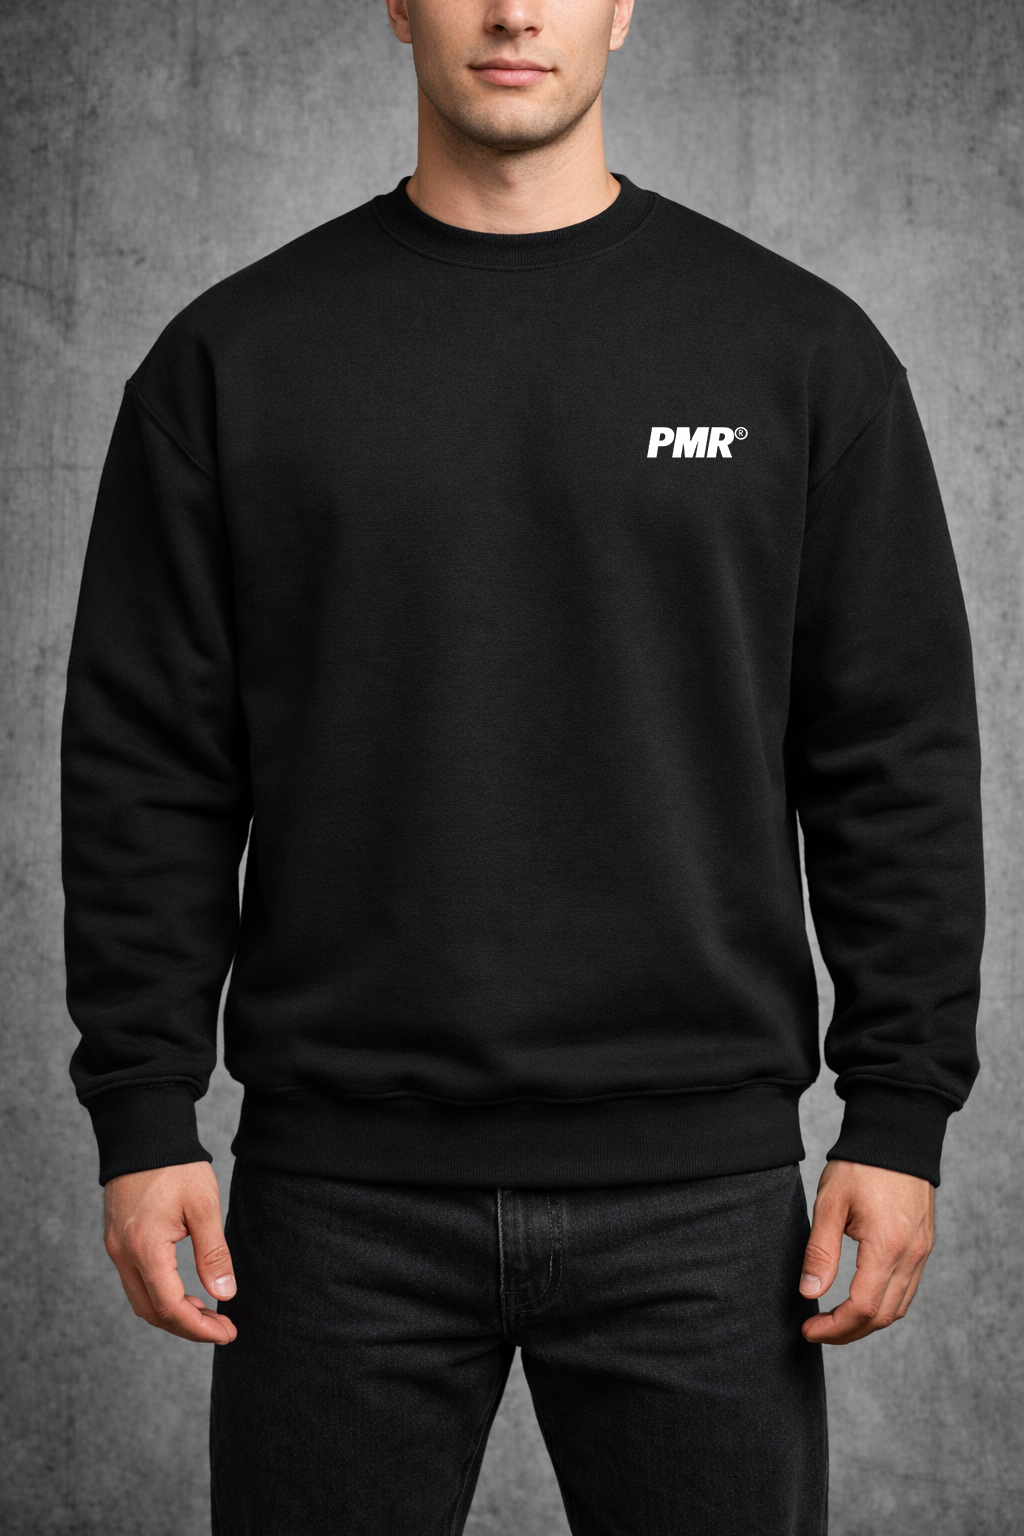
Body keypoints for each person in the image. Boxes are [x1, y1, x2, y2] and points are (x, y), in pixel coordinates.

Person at [62, 1, 985, 1532]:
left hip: (702, 1207)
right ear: (397, 4)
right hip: (336, 1205)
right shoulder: (236, 359)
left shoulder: (799, 353)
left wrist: (899, 1113)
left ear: (622, 8)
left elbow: (892, 755)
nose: (511, 9)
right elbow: (150, 764)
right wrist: (144, 1107)